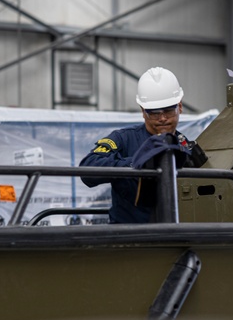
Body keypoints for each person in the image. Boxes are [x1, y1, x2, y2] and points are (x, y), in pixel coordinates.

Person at [79, 67, 205, 224]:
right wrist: (136, 163)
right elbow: (87, 169)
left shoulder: (183, 144)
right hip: (131, 238)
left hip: (173, 236)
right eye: (155, 113)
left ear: (179, 107)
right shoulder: (123, 139)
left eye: (168, 111)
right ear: (143, 111)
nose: (163, 118)